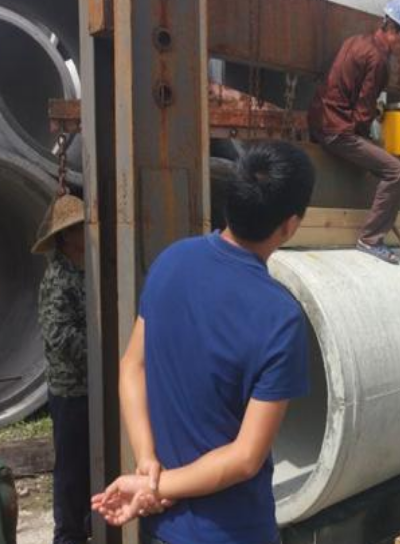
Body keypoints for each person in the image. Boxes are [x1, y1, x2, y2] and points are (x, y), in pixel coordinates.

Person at [91, 141, 316, 544]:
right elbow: (245, 458)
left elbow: (131, 367)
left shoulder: (171, 261)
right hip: (233, 532)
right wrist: (155, 486)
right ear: (290, 224)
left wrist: (147, 463)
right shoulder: (280, 318)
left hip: (162, 528)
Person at [308, 0, 400, 264]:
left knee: (378, 159)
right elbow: (361, 116)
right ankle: (370, 238)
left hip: (320, 122)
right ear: (395, 30)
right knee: (396, 171)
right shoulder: (380, 60)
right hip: (337, 131)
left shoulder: (355, 41)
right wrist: (371, 145)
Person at [32, 193, 90, 544]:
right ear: (66, 236)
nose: (86, 231)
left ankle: (86, 526)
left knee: (88, 465)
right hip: (71, 391)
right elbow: (59, 335)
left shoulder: (84, 270)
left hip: (88, 388)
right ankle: (67, 535)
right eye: (79, 227)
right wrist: (99, 356)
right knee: (70, 471)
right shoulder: (59, 277)